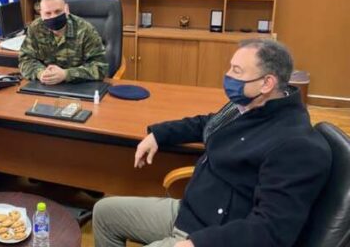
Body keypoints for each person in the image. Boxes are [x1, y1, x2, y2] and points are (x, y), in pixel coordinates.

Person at [93, 39, 332, 247]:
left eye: (237, 71)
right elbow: (207, 123)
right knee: (104, 212)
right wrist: (158, 134)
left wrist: (197, 243)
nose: (228, 76)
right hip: (188, 212)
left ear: (267, 83)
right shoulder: (247, 106)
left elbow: (271, 231)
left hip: (211, 233)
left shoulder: (296, 146)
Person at [19, 0, 108, 84]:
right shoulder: (35, 28)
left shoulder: (85, 29)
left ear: (66, 9)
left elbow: (101, 67)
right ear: (41, 14)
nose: (53, 16)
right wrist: (40, 73)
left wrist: (66, 74)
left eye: (58, 11)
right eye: (48, 13)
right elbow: (25, 60)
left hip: (78, 85)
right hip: (46, 85)